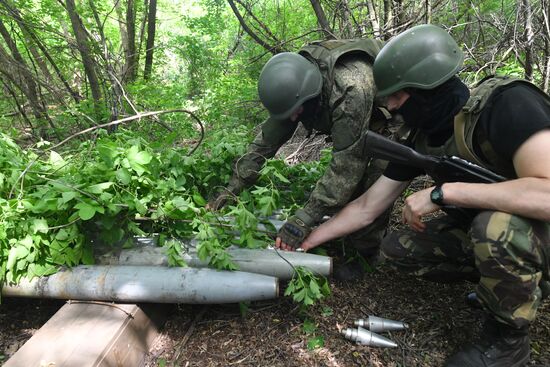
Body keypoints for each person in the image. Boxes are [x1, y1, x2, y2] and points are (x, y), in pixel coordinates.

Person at [279, 24, 550, 366]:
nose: (390, 107)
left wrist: (444, 193)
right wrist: (308, 240)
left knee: (493, 228)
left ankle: (509, 341)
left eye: (397, 96)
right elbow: (367, 206)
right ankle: (503, 287)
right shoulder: (424, 136)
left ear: (427, 89)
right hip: (525, 235)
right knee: (397, 249)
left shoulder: (507, 106)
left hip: (532, 229)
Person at [210, 38, 398, 277]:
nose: (292, 120)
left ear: (311, 96)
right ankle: (342, 232)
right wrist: (232, 189)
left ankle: (364, 255)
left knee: (377, 179)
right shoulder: (293, 89)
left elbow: (347, 164)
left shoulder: (350, 89)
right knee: (349, 189)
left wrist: (303, 220)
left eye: (295, 113)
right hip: (360, 114)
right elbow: (264, 144)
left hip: (395, 116)